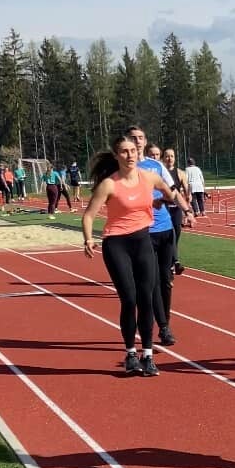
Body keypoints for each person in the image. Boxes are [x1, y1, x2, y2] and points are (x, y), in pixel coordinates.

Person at [82, 135, 193, 376]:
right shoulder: (109, 184)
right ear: (116, 156)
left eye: (132, 150)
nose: (130, 155)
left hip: (143, 241)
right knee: (129, 299)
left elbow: (170, 192)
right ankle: (131, 354)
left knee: (146, 299)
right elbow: (89, 215)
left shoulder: (149, 177)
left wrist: (180, 207)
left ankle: (148, 355)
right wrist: (89, 239)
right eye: (124, 151)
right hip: (116, 244)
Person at [142, 142, 191, 344]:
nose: (137, 141)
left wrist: (187, 211)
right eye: (133, 138)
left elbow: (172, 192)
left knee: (165, 281)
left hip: (165, 228)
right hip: (143, 232)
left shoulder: (157, 167)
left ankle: (165, 326)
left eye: (140, 138)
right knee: (151, 282)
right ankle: (159, 325)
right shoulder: (125, 170)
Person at [162, 147, 190, 275]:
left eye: (172, 156)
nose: (169, 159)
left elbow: (186, 190)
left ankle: (171, 260)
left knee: (176, 234)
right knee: (171, 234)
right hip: (164, 208)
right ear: (163, 158)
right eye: (167, 156)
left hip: (176, 209)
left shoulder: (180, 173)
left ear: (175, 158)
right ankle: (175, 261)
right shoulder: (160, 173)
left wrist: (187, 208)